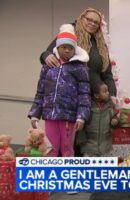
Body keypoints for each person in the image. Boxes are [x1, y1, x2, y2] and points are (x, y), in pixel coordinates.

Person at [28, 24, 91, 157]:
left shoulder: (80, 68)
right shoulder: (48, 66)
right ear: (57, 47)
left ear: (75, 49)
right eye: (63, 47)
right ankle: (50, 175)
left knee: (67, 149)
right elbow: (40, 91)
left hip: (69, 116)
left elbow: (84, 94)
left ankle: (68, 175)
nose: (67, 50)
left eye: (70, 48)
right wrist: (35, 113)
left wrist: (81, 117)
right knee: (50, 148)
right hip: (50, 115)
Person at [40, 8, 116, 103]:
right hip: (67, 95)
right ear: (82, 18)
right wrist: (47, 55)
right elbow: (47, 53)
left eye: (96, 22)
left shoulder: (100, 44)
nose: (92, 23)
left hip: (93, 98)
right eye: (89, 19)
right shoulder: (69, 33)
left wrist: (112, 94)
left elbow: (107, 74)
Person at [80, 80, 119, 157]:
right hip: (89, 147)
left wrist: (115, 120)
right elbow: (82, 124)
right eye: (105, 92)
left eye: (108, 91)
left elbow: (116, 117)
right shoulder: (88, 106)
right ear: (96, 95)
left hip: (106, 147)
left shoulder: (111, 106)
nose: (108, 93)